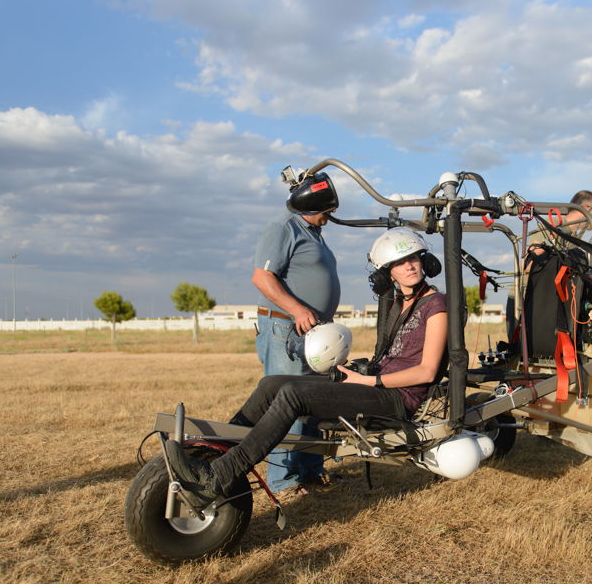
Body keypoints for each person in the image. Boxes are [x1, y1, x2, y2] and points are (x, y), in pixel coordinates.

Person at [168, 228, 448, 507]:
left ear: (426, 261)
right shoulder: (398, 303)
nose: (410, 266)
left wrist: (368, 382)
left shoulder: (436, 305)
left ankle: (218, 476)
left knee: (293, 394)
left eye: (414, 258)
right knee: (272, 384)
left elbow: (427, 372)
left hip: (397, 398)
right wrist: (359, 374)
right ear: (387, 273)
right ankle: (214, 453)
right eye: (400, 262)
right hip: (376, 384)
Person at [248, 171, 342, 497]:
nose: (327, 218)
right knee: (285, 404)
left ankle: (310, 469)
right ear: (308, 203)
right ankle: (283, 481)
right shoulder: (282, 227)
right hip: (287, 328)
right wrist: (299, 310)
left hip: (313, 331)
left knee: (314, 402)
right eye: (323, 211)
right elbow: (262, 278)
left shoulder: (311, 230)